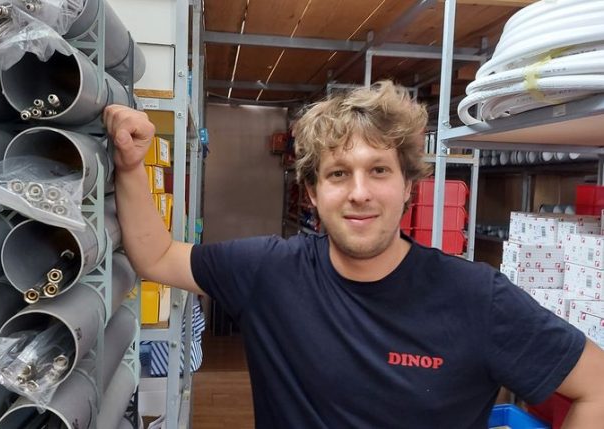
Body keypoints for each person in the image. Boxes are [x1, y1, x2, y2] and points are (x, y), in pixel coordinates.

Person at [103, 81, 604, 428]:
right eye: (339, 173)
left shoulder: (478, 298)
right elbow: (156, 256)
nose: (359, 193)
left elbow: (597, 386)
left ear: (408, 187)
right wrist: (130, 164)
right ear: (312, 192)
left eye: (379, 171)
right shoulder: (267, 272)